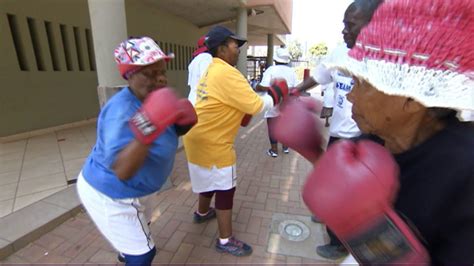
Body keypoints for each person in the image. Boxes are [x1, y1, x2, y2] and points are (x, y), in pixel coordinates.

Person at [303, 0, 474, 263]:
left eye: (363, 83)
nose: (351, 96)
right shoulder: (371, 143)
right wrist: (314, 152)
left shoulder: (464, 173)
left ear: (412, 99)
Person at [76, 36, 197, 265]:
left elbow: (165, 133)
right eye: (149, 74)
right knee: (144, 254)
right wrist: (148, 125)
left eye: (162, 71)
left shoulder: (155, 97)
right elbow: (123, 170)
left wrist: (181, 125)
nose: (160, 78)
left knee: (142, 226)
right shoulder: (120, 111)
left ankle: (125, 247)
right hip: (112, 193)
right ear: (130, 76)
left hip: (142, 190)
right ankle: (130, 250)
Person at [291, 0, 385, 260]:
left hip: (370, 138)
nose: (343, 31)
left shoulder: (385, 56)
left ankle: (341, 243)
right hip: (339, 134)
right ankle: (332, 222)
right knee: (332, 184)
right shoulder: (339, 52)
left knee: (356, 195)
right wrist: (293, 92)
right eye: (343, 25)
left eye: (350, 25)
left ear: (372, 24)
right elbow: (319, 77)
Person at [183, 26, 287, 256]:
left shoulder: (212, 69)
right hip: (214, 143)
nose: (238, 50)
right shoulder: (227, 73)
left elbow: (232, 103)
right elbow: (258, 105)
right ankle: (225, 239)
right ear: (221, 49)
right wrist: (277, 94)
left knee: (210, 180)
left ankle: (202, 213)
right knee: (225, 189)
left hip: (196, 137)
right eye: (234, 45)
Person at [256, 47, 298, 157]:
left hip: (273, 101)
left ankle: (274, 150)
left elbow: (264, 86)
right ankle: (285, 147)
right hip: (288, 102)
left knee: (272, 126)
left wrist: (257, 86)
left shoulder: (271, 70)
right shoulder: (292, 71)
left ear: (275, 59)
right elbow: (296, 88)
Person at [187, 35, 213, 106]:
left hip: (192, 100)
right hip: (201, 102)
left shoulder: (194, 60)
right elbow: (206, 81)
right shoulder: (207, 57)